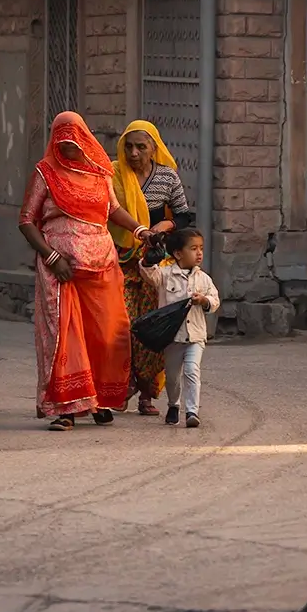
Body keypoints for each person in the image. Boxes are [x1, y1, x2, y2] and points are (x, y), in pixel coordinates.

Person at [19, 111, 156, 431]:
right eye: (61, 139)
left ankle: (99, 401)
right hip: (61, 270)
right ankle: (66, 409)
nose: (67, 145)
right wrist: (52, 257)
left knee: (107, 334)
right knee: (65, 339)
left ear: (84, 138)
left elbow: (114, 210)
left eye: (73, 139)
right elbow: (26, 220)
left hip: (102, 265)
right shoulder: (45, 172)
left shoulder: (100, 171)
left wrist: (141, 231)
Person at [111, 120, 194, 416]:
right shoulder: (113, 174)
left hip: (155, 265)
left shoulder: (167, 177)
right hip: (119, 260)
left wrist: (167, 224)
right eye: (128, 146)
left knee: (152, 327)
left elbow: (184, 216)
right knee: (121, 325)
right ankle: (120, 387)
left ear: (153, 149)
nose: (133, 153)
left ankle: (147, 392)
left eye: (140, 147)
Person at [139, 227, 220, 429]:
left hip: (195, 337)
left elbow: (215, 300)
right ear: (177, 253)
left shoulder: (204, 278)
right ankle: (173, 404)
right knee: (173, 377)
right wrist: (148, 261)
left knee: (192, 370)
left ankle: (192, 411)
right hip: (173, 338)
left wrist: (204, 300)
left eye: (201, 248)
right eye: (193, 248)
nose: (199, 253)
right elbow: (150, 275)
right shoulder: (166, 275)